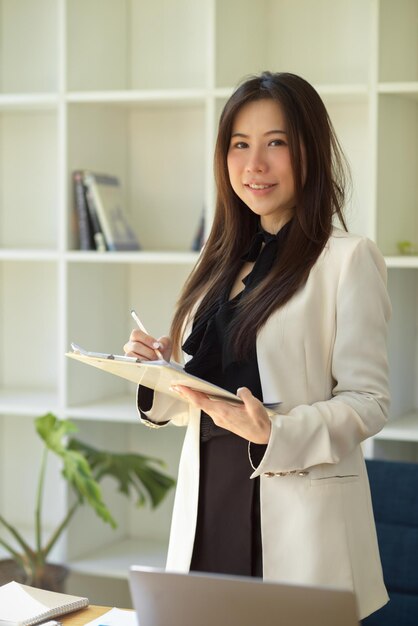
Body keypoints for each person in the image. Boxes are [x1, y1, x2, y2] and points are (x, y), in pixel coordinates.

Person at [124, 71, 391, 620]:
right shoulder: (218, 261)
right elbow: (205, 400)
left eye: (276, 144)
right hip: (210, 499)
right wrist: (158, 374)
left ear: (310, 152)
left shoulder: (347, 259)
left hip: (294, 508)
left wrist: (278, 431)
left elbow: (369, 401)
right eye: (240, 145)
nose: (255, 165)